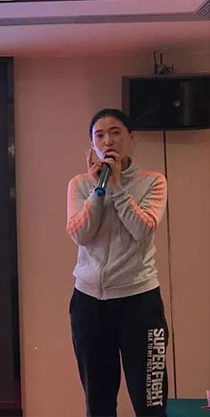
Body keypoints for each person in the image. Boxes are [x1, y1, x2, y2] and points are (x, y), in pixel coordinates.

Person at [66, 109, 169, 416]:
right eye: (99, 135)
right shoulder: (80, 184)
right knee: (98, 403)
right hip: (89, 303)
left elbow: (142, 229)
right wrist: (98, 190)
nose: (108, 141)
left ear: (131, 140)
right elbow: (80, 234)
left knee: (150, 402)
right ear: (92, 146)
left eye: (115, 133)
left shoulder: (153, 181)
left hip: (140, 302)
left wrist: (117, 187)